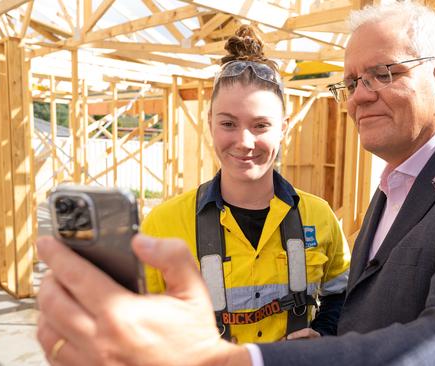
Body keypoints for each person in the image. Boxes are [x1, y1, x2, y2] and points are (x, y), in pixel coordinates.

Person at [36, 2, 435, 365]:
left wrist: (238, 359)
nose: (360, 95)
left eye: (384, 73)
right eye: (353, 81)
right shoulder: (396, 187)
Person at [141, 25, 351, 344]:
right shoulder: (163, 225)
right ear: (210, 122)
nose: (244, 141)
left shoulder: (319, 217)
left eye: (260, 125)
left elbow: (342, 294)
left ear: (283, 127)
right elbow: (144, 322)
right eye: (228, 123)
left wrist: (322, 333)